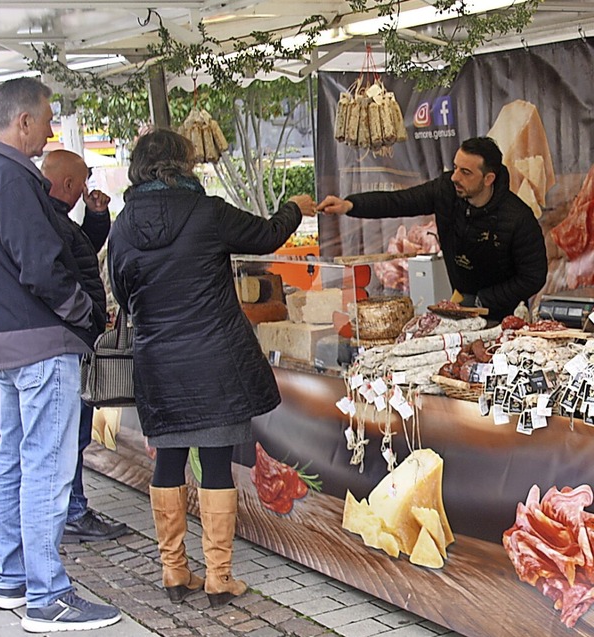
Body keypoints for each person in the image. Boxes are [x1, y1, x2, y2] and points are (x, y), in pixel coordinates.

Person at [107, 129, 316, 609]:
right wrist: (293, 208)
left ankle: (174, 571)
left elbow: (121, 293)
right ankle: (219, 576)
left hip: (159, 360)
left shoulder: (122, 225)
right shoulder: (207, 211)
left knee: (169, 462)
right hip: (215, 357)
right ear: (184, 164)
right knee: (217, 463)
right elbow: (265, 235)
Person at [0, 78, 121, 632]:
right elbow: (41, 266)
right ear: (21, 120)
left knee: (14, 461)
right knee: (45, 466)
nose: (50, 130)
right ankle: (47, 596)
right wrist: (83, 317)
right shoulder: (10, 178)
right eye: (47, 118)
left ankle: (13, 578)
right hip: (39, 341)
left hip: (0, 340)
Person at [317, 136, 548, 321]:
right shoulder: (446, 190)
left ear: (489, 178)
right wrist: (350, 204)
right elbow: (399, 201)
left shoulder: (518, 218)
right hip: (461, 301)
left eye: (465, 172)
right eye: (455, 167)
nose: (455, 177)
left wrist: (484, 300)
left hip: (505, 313)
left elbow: (533, 277)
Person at [40, 149, 129, 544]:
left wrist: (95, 218)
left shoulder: (54, 217)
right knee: (68, 434)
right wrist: (87, 314)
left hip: (70, 336)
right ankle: (72, 511)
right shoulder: (44, 218)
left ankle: (70, 508)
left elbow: (79, 254)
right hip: (67, 339)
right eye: (83, 182)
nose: (87, 189)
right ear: (71, 184)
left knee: (68, 434)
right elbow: (54, 276)